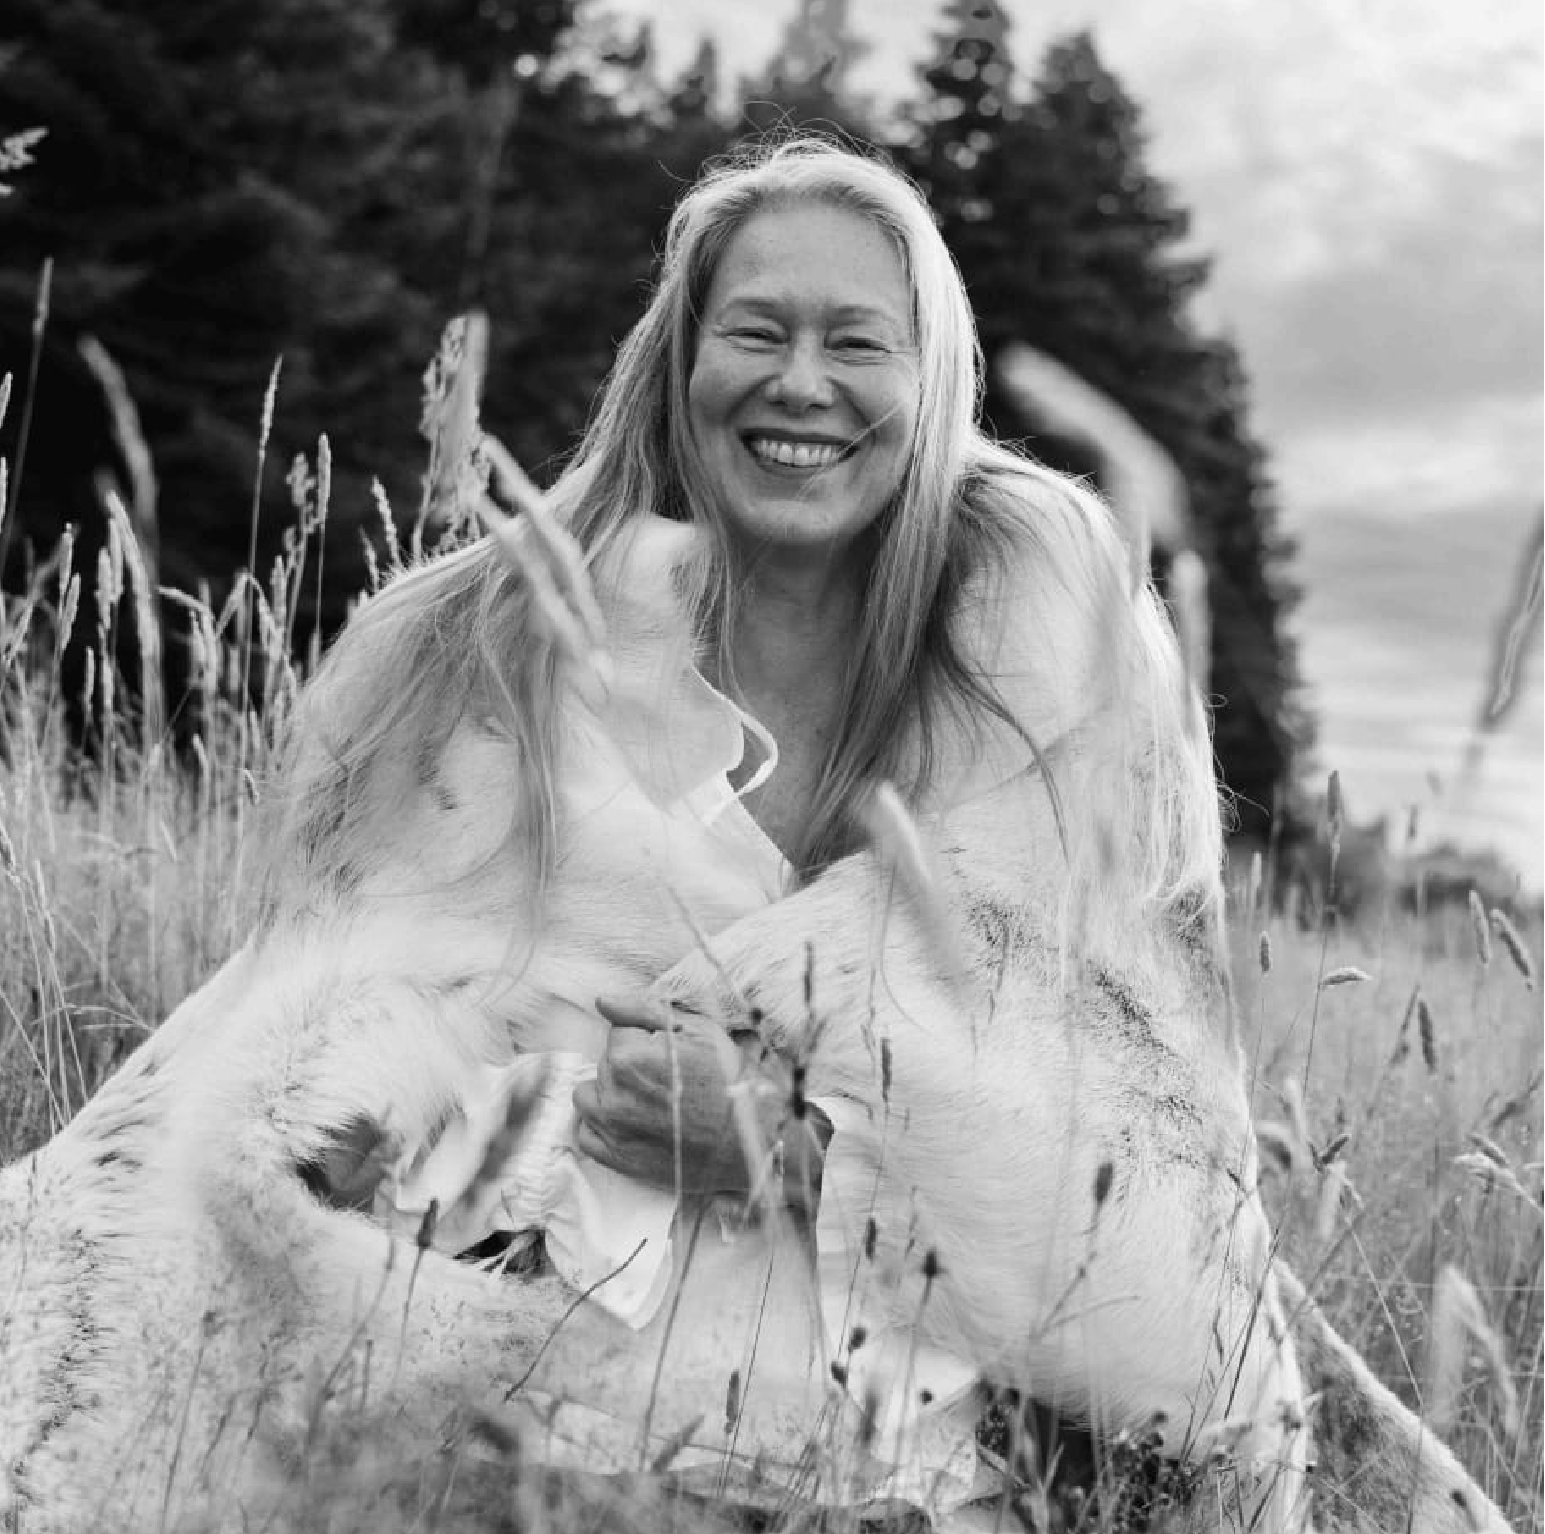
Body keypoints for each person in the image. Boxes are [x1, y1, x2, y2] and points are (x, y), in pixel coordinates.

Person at [256, 135, 1308, 1529]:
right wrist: (561, 1104)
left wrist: (791, 1154)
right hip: (528, 1438)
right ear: (682, 365)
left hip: (907, 1481)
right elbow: (327, 1081)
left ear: (929, 387)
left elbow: (1121, 1190)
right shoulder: (505, 658)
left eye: (856, 342)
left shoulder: (1039, 661)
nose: (801, 382)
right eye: (755, 331)